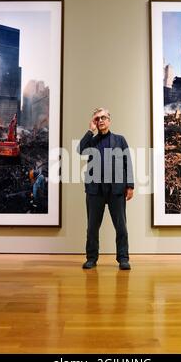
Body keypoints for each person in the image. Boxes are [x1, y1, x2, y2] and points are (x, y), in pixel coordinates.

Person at [77, 107, 134, 270]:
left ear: (109, 120)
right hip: (95, 190)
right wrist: (90, 130)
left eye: (103, 118)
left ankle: (123, 258)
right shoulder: (91, 140)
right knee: (92, 227)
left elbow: (127, 162)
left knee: (121, 226)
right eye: (97, 118)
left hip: (116, 189)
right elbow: (80, 150)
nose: (101, 121)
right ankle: (91, 258)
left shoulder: (120, 140)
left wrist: (130, 185)